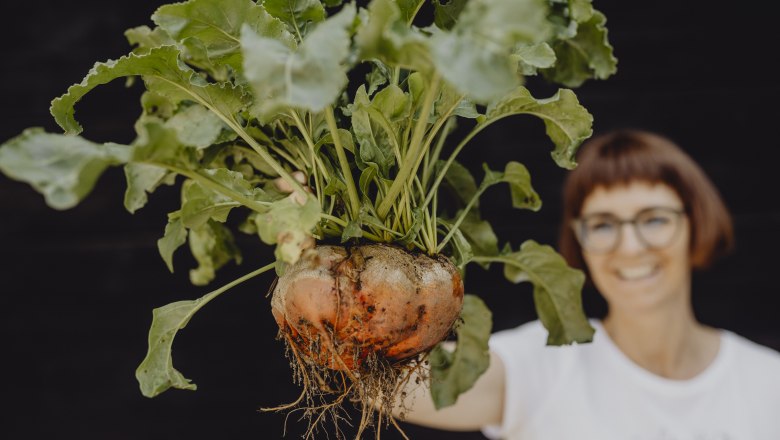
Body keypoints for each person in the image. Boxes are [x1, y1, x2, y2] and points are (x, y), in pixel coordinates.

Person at [397, 129, 780, 439]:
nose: (630, 247)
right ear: (579, 241)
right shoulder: (543, 363)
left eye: (654, 219)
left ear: (695, 224)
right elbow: (409, 386)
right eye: (603, 225)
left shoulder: (768, 382)